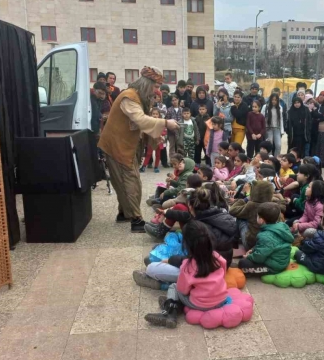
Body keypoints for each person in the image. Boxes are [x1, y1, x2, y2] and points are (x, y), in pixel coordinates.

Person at [98, 66, 179, 232]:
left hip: (126, 144)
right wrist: (165, 123)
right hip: (117, 144)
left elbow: (142, 122)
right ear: (146, 83)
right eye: (156, 86)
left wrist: (156, 135)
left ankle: (124, 213)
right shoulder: (129, 97)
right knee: (131, 181)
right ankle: (136, 220)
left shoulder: (139, 97)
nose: (157, 91)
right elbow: (141, 120)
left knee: (122, 180)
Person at [143, 221, 228, 329]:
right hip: (221, 299)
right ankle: (177, 306)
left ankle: (170, 312)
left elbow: (182, 290)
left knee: (174, 286)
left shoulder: (187, 266)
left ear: (187, 245)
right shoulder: (217, 257)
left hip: (200, 304)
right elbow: (223, 273)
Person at [238, 202, 293, 275]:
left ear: (261, 220)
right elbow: (265, 247)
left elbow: (259, 257)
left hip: (275, 266)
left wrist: (249, 257)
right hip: (280, 259)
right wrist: (253, 250)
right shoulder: (282, 226)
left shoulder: (265, 236)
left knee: (243, 263)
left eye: (257, 216)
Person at [229, 181, 285, 250]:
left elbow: (232, 210)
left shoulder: (252, 205)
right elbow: (283, 206)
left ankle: (234, 241)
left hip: (251, 245)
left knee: (240, 218)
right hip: (268, 244)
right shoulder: (274, 206)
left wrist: (246, 199)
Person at [140, 108, 166, 173]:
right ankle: (144, 166)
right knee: (148, 154)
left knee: (158, 155)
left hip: (158, 141)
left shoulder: (161, 122)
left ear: (159, 115)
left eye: (156, 114)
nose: (155, 115)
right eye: (153, 114)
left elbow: (164, 131)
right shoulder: (149, 122)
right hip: (151, 140)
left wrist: (160, 134)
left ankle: (156, 167)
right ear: (151, 115)